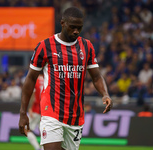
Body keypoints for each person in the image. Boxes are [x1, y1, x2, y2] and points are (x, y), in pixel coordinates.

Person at [19, 7, 113, 150]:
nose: (76, 31)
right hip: (51, 112)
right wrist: (23, 112)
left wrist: (105, 94)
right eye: (72, 27)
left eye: (79, 28)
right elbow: (30, 79)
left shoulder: (87, 46)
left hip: (75, 116)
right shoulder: (45, 46)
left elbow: (97, 76)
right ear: (62, 23)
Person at [27, 74, 44, 150]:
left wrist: (30, 108)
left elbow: (33, 95)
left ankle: (37, 148)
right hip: (45, 110)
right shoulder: (47, 79)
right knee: (43, 132)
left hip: (36, 109)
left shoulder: (35, 80)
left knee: (27, 130)